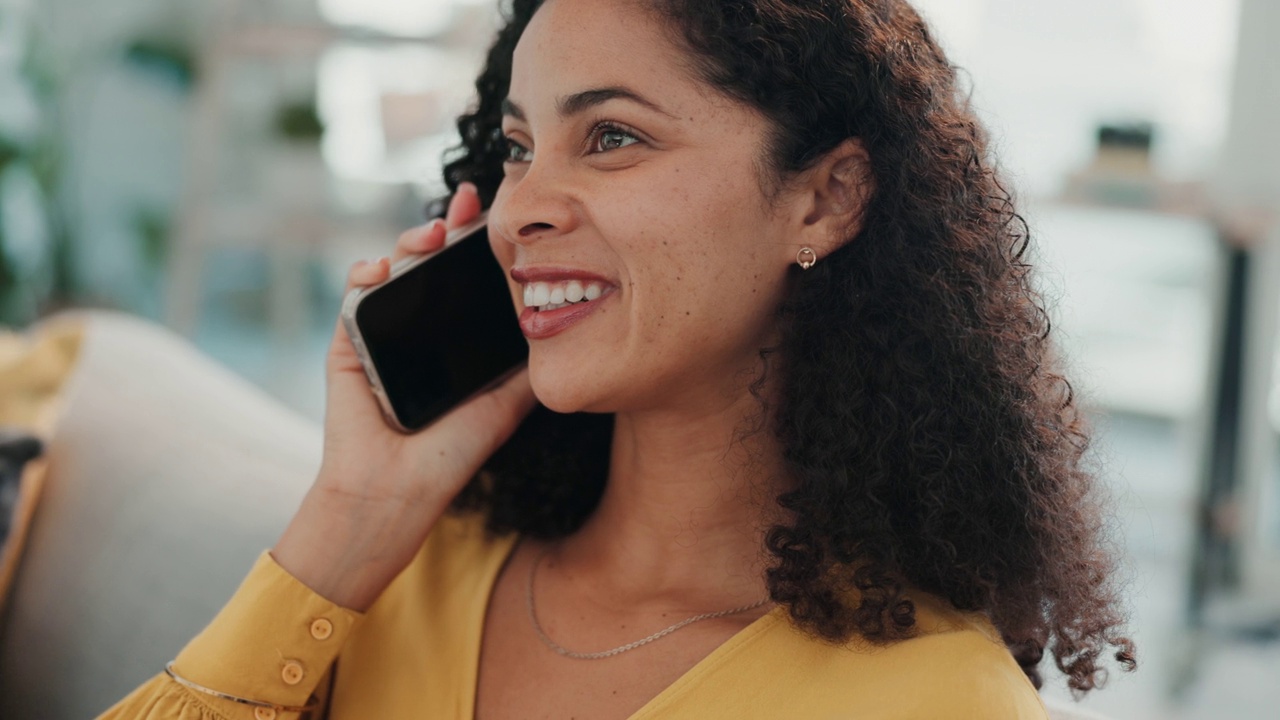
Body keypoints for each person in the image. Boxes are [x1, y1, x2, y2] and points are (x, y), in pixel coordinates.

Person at [103, 0, 1136, 717]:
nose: (518, 212)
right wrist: (349, 516)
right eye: (517, 149)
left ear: (824, 199)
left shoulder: (935, 702)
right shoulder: (399, 569)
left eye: (610, 138)